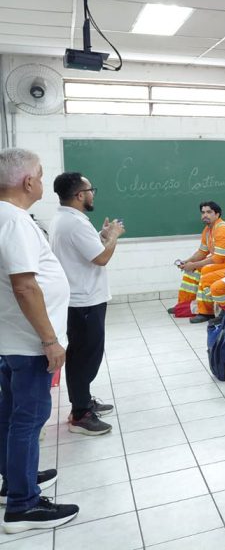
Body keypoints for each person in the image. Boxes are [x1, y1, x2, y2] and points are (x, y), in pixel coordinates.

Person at [0, 148, 78, 532]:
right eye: (41, 176)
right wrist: (50, 340)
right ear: (28, 181)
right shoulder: (13, 221)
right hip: (30, 342)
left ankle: (13, 481)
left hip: (13, 337)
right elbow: (25, 285)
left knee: (12, 414)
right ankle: (23, 505)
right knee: (28, 420)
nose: (42, 183)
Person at [49, 172, 124, 435]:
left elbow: (90, 250)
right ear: (80, 195)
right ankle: (81, 413)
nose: (93, 193)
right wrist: (113, 236)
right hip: (84, 302)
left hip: (80, 298)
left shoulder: (67, 218)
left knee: (83, 353)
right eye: (91, 189)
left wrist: (102, 236)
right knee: (85, 356)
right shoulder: (75, 223)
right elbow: (101, 258)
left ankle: (82, 401)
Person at [169, 201, 225, 317]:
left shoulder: (222, 229)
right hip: (224, 262)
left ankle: (206, 312)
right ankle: (184, 306)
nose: (205, 215)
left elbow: (218, 258)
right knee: (191, 271)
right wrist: (188, 262)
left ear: (217, 214)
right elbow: (202, 252)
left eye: (209, 212)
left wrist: (194, 265)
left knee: (205, 269)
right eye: (203, 212)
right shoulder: (208, 230)